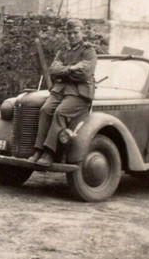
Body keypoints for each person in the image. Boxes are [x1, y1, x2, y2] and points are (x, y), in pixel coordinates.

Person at [29, 18, 98, 167]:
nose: (72, 36)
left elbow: (84, 74)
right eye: (69, 33)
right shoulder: (63, 50)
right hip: (61, 90)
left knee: (60, 112)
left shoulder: (89, 51)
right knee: (45, 110)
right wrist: (72, 68)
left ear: (82, 33)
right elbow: (53, 70)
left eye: (75, 33)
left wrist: (64, 70)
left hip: (80, 93)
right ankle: (38, 150)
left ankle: (49, 153)